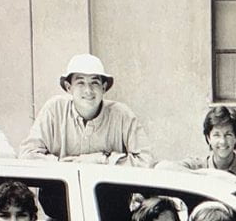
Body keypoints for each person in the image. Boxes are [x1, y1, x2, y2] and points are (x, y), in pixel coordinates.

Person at [18, 53, 154, 166]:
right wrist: (64, 164)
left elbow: (146, 160)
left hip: (109, 195)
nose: (88, 90)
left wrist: (102, 160)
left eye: (94, 82)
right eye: (80, 82)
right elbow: (27, 154)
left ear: (104, 88)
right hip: (60, 195)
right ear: (68, 87)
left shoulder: (122, 115)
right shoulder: (54, 110)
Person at [157, 107, 236, 201]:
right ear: (208, 138)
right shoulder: (199, 165)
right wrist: (207, 176)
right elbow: (161, 168)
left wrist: (229, 179)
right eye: (216, 135)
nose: (223, 141)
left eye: (228, 134)